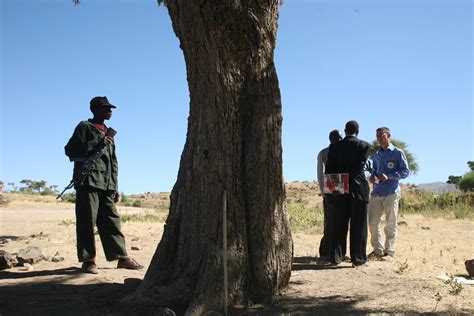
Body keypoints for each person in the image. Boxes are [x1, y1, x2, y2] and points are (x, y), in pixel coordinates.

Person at [65, 96, 143, 274]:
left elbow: (113, 162)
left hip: (106, 185)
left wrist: (114, 185)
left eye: (111, 109)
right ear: (95, 109)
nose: (110, 111)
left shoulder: (108, 132)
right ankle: (88, 260)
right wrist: (96, 143)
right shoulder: (84, 127)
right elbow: (70, 150)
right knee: (86, 221)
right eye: (106, 108)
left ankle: (121, 257)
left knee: (112, 221)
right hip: (88, 182)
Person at [325, 120, 370, 267]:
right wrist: (349, 178)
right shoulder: (364, 145)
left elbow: (329, 170)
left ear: (345, 131)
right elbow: (358, 168)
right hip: (358, 190)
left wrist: (335, 187)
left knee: (337, 224)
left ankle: (336, 257)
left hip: (339, 189)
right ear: (358, 131)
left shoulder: (334, 147)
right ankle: (358, 259)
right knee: (359, 225)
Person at [368, 127, 410, 261]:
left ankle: (389, 252)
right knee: (373, 222)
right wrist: (372, 176)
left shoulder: (398, 153)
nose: (379, 138)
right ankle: (377, 250)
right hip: (377, 191)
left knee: (391, 222)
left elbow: (405, 172)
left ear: (388, 135)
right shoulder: (377, 155)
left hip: (391, 191)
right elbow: (375, 171)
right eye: (377, 136)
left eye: (381, 135)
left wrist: (389, 176)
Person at [316, 129, 342, 260]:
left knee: (331, 219)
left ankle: (330, 250)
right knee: (332, 219)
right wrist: (323, 191)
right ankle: (328, 250)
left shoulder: (324, 152)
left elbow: (320, 174)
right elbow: (320, 173)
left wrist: (323, 190)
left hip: (332, 184)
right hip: (334, 184)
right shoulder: (325, 153)